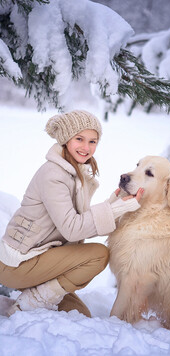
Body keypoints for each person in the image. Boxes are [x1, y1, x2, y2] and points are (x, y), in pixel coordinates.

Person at [0, 110, 143, 317]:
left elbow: (80, 221)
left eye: (92, 141)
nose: (86, 147)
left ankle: (23, 301)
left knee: (79, 314)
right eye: (79, 139)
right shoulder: (53, 174)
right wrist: (117, 209)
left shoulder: (74, 172)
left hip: (41, 256)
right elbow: (73, 229)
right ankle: (31, 302)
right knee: (98, 255)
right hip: (18, 263)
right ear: (66, 139)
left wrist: (115, 201)